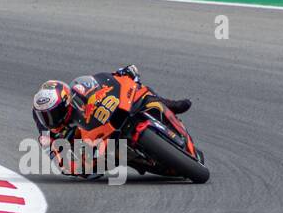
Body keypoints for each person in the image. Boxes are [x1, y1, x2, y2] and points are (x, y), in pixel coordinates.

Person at [31, 65, 191, 176]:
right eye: (45, 116)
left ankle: (169, 105)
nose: (50, 119)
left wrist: (121, 74)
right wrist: (81, 163)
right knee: (90, 170)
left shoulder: (78, 90)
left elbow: (101, 82)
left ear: (66, 102)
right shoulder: (46, 130)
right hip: (93, 148)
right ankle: (139, 160)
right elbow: (63, 165)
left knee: (143, 93)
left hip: (105, 120)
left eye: (54, 113)